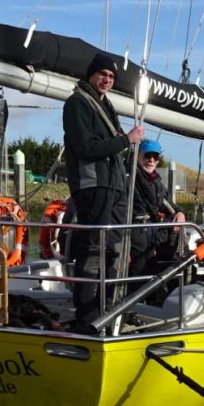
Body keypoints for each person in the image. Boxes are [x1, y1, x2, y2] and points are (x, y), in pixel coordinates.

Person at [62, 52, 145, 331]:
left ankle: (110, 307)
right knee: (94, 249)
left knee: (116, 249)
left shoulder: (106, 106)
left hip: (114, 186)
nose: (107, 80)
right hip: (93, 185)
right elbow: (85, 147)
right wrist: (125, 139)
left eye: (111, 77)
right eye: (102, 74)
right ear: (91, 74)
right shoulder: (77, 104)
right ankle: (87, 316)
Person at [130, 139, 186, 277]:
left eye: (155, 157)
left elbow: (167, 203)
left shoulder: (156, 182)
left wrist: (180, 212)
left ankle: (151, 297)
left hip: (150, 234)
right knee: (139, 271)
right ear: (138, 155)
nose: (151, 160)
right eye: (147, 156)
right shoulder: (129, 177)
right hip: (134, 233)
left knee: (150, 269)